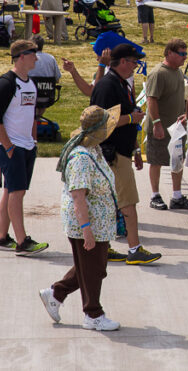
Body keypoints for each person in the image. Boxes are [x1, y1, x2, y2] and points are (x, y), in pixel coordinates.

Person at [40, 105, 122, 332]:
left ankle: (56, 294)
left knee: (93, 268)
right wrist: (87, 230)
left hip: (99, 223)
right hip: (88, 224)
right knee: (93, 269)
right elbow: (78, 196)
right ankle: (93, 314)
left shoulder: (93, 149)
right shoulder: (81, 158)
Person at [90, 43, 160, 265]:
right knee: (127, 202)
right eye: (133, 62)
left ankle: (105, 246)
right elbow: (98, 122)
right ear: (121, 62)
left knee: (110, 203)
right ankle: (134, 249)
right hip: (111, 155)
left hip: (121, 152)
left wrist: (136, 150)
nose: (136, 66)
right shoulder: (107, 86)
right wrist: (131, 119)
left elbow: (130, 116)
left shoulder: (121, 84)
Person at [0, 40, 49, 255]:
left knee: (10, 191)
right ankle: (23, 242)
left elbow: (31, 114)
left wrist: (33, 141)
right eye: (33, 53)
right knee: (17, 191)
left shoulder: (30, 82)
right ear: (21, 56)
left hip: (26, 146)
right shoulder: (6, 82)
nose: (36, 57)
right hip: (11, 146)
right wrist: (9, 147)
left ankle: (2, 237)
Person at [144, 39, 188, 212]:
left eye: (186, 54)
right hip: (160, 126)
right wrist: (157, 124)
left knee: (177, 160)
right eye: (182, 54)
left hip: (177, 128)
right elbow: (151, 99)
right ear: (169, 53)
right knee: (156, 161)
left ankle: (177, 196)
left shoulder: (178, 72)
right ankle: (155, 195)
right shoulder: (158, 73)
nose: (185, 57)